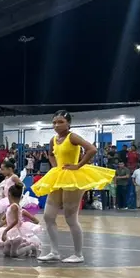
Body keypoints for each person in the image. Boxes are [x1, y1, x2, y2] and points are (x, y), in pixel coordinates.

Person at [32, 110, 114, 264]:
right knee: (48, 216)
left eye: (60, 122)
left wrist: (78, 165)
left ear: (68, 123)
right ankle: (54, 252)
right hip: (58, 175)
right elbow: (51, 154)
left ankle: (78, 254)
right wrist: (55, 167)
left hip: (72, 177)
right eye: (54, 122)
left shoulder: (72, 137)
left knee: (70, 217)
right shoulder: (53, 139)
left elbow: (92, 149)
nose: (56, 125)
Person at [0, 181, 41, 258]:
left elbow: (15, 221)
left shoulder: (14, 206)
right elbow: (7, 219)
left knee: (14, 254)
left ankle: (31, 247)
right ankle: (25, 245)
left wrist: (5, 230)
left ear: (9, 194)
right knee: (6, 252)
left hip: (15, 232)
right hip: (11, 231)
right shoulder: (12, 207)